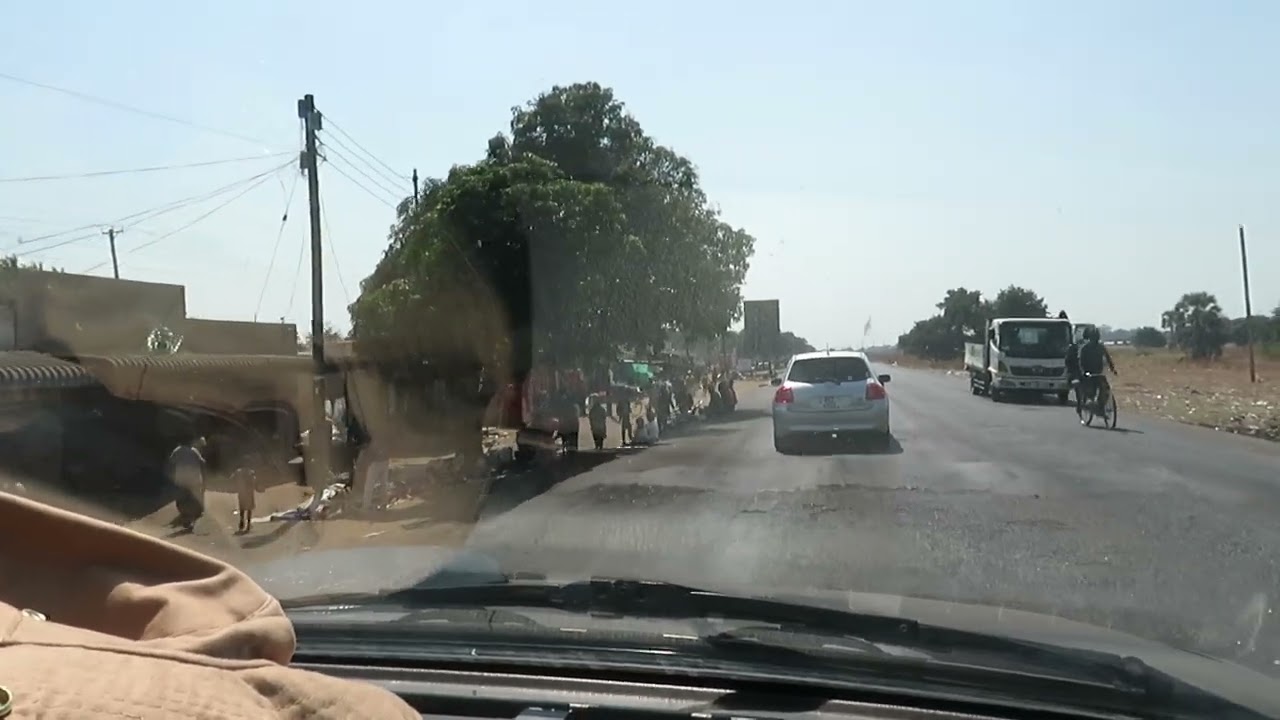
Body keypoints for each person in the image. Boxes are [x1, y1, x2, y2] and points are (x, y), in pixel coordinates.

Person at [166, 435, 207, 533]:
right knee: (192, 500)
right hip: (194, 479)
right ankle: (190, 519)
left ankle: (185, 517)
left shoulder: (177, 450)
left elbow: (171, 462)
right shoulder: (194, 451)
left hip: (181, 479)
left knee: (181, 500)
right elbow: (202, 463)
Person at [1077, 326, 1117, 419]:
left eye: (1096, 338)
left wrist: (1112, 369)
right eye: (1093, 338)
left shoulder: (1101, 347)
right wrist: (1084, 371)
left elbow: (1107, 358)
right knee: (1090, 391)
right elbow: (1081, 361)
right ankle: (1088, 405)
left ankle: (1100, 406)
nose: (1094, 340)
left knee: (1105, 389)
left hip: (1098, 372)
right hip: (1088, 373)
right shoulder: (1084, 348)